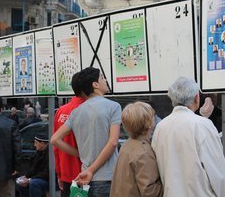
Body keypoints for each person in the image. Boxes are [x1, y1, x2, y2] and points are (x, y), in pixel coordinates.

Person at [151, 77, 225, 197]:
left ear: (172, 99)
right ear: (197, 98)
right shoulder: (203, 125)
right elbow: (219, 175)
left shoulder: (160, 127)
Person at [51, 67, 122, 197]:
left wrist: (79, 154)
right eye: (101, 78)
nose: (105, 80)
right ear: (95, 85)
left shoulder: (76, 112)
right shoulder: (113, 106)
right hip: (107, 178)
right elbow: (113, 142)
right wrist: (92, 170)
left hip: (83, 179)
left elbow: (54, 139)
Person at [110, 102, 163, 197]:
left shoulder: (127, 144)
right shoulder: (143, 152)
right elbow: (150, 192)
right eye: (153, 115)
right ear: (149, 123)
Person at [53, 72, 85, 196]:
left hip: (67, 174)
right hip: (87, 175)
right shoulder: (89, 110)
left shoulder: (61, 111)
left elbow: (56, 149)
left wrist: (59, 173)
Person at [18, 132, 49, 197]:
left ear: (42, 144)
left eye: (36, 143)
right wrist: (26, 176)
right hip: (39, 177)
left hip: (48, 179)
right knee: (21, 183)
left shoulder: (50, 154)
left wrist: (30, 180)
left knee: (34, 183)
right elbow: (34, 168)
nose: (34, 145)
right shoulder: (38, 152)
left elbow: (47, 173)